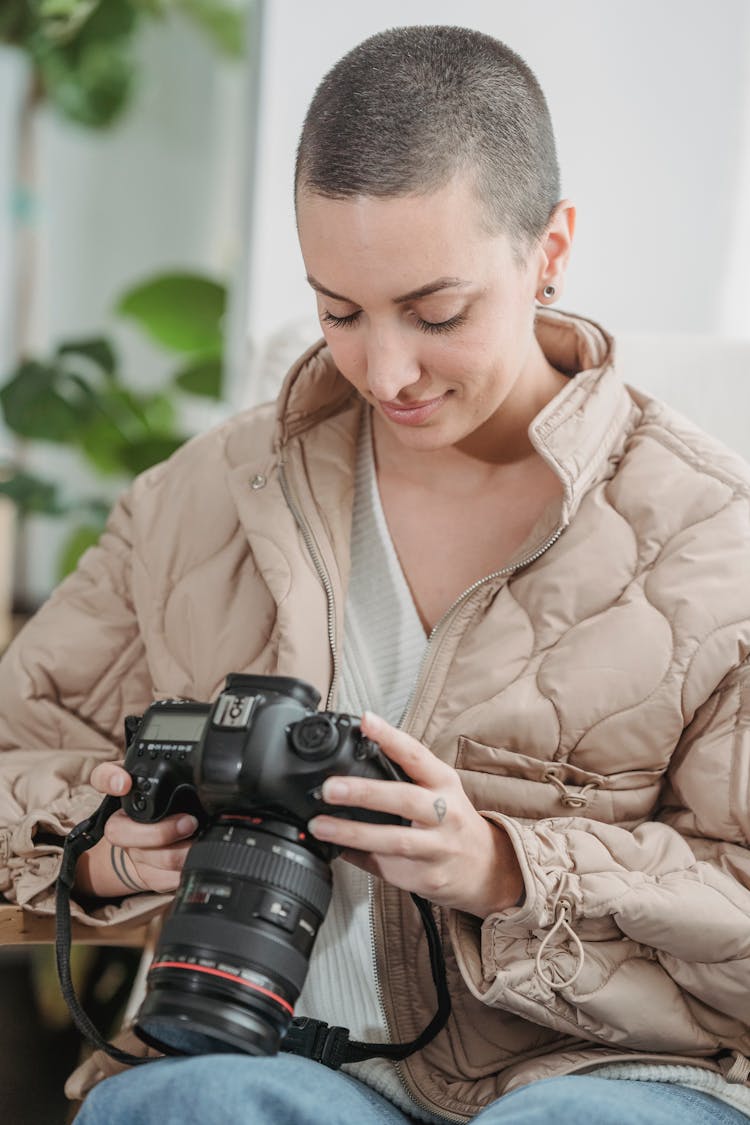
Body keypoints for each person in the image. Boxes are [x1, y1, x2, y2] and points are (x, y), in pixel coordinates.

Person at [1, 23, 750, 1125]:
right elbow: (20, 750)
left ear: (551, 251)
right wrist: (108, 855)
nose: (386, 371)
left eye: (437, 314)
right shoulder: (205, 496)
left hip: (594, 1074)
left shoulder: (711, 537)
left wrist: (507, 867)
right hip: (281, 1058)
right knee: (181, 1105)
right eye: (337, 312)